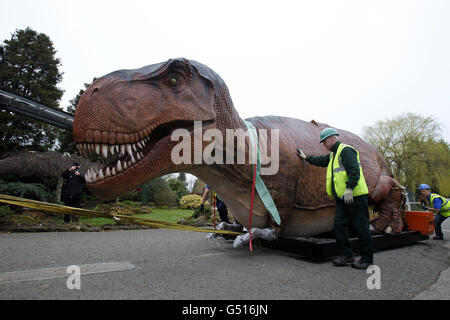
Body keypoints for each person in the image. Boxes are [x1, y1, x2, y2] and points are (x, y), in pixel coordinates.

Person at [297, 128, 373, 269]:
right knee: (339, 226)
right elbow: (321, 160)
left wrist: (350, 188)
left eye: (325, 141)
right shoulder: (333, 155)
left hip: (355, 196)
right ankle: (346, 255)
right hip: (342, 198)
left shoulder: (346, 151)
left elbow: (354, 171)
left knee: (361, 227)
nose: (323, 145)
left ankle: (367, 259)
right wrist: (306, 158)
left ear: (333, 138)